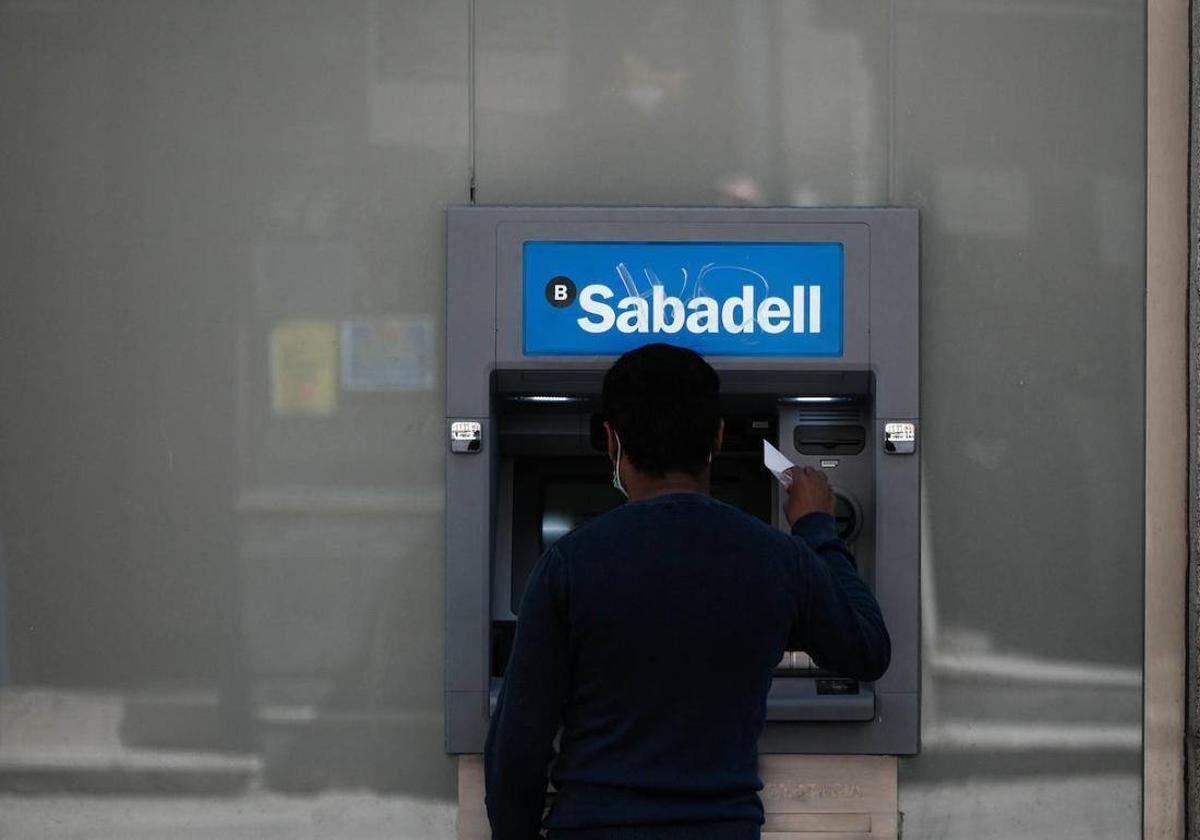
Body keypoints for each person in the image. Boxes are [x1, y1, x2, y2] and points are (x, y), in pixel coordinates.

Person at [484, 343, 891, 840]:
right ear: (717, 437)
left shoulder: (568, 565)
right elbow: (868, 650)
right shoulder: (779, 559)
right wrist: (817, 529)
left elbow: (517, 749)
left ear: (612, 440)